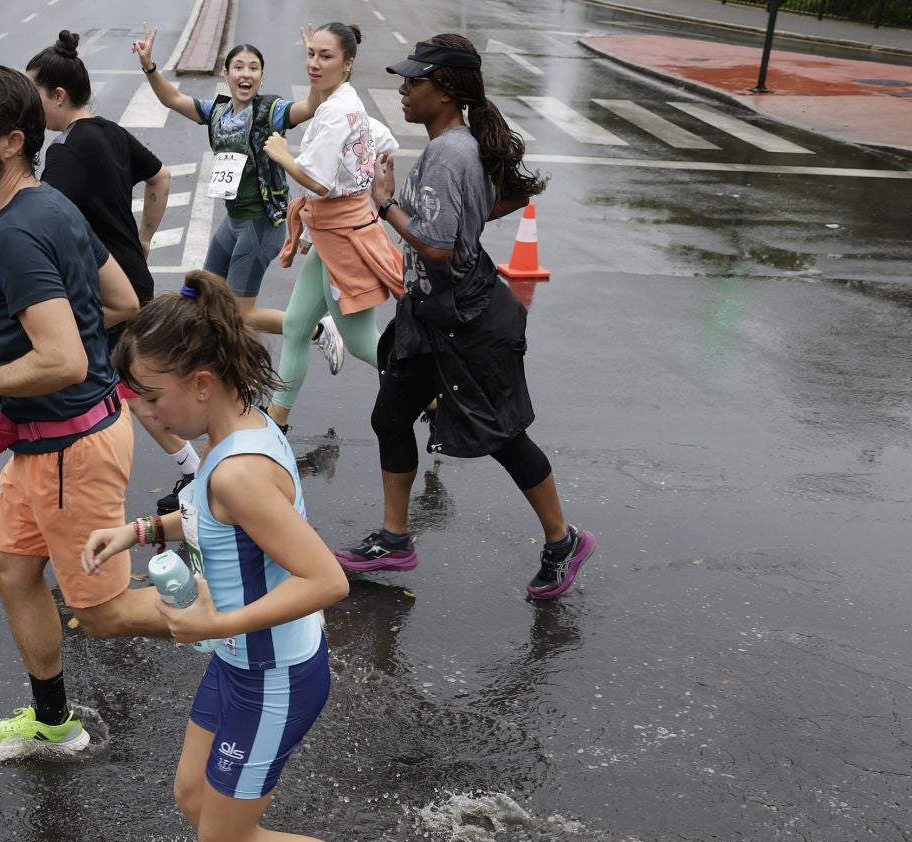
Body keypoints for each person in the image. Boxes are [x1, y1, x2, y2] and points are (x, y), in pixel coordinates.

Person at [82, 270, 447, 842]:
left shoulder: (237, 470)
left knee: (226, 834)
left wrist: (211, 624)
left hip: (271, 675)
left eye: (153, 398)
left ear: (202, 380)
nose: (148, 414)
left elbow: (325, 579)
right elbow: (213, 526)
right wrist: (140, 533)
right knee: (194, 795)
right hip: (241, 665)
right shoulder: (236, 432)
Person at [0, 65, 172, 752]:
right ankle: (51, 724)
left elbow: (65, 360)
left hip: (70, 449)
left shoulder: (16, 234)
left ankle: (249, 620)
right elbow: (122, 301)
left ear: (11, 142)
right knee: (12, 570)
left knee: (103, 614)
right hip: (52, 441)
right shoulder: (46, 205)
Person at [339, 34, 596, 600]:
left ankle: (563, 540)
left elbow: (436, 247)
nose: (403, 89)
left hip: (468, 319)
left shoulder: (450, 151)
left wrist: (386, 204)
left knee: (502, 435)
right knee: (391, 416)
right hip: (429, 316)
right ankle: (394, 538)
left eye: (414, 81)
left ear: (447, 90)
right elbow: (494, 203)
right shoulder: (458, 145)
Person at [24, 31, 198, 495]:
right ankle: (197, 467)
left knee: (130, 390)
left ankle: (196, 472)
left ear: (58, 95)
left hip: (108, 290)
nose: (30, 108)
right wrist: (143, 238)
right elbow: (159, 176)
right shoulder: (109, 131)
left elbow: (43, 218)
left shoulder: (63, 153)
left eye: (33, 96)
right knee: (137, 384)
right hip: (132, 277)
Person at [129, 25, 329, 345]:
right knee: (204, 299)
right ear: (226, 74)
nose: (246, 74)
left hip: (261, 224)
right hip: (233, 222)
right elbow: (172, 98)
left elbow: (309, 107)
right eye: (238, 67)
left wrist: (314, 66)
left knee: (241, 315)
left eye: (253, 68)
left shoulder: (269, 111)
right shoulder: (218, 111)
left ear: (262, 77)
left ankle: (319, 329)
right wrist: (149, 66)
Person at [257, 22, 403, 431]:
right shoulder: (345, 100)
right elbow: (385, 143)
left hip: (343, 239)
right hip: (333, 232)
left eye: (326, 56)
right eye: (311, 55)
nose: (314, 64)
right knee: (294, 325)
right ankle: (277, 419)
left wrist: (283, 155)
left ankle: (430, 395)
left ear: (348, 63)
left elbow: (318, 180)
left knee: (359, 341)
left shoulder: (339, 111)